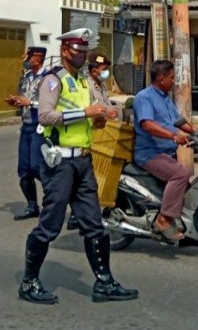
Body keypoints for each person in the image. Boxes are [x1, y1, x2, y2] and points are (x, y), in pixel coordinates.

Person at [19, 28, 137, 305]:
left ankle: (104, 282)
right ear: (64, 51)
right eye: (77, 51)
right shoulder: (53, 80)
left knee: (94, 225)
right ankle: (29, 281)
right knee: (50, 225)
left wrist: (97, 119)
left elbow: (83, 119)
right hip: (60, 163)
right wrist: (85, 113)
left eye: (85, 52)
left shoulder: (82, 82)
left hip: (82, 160)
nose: (82, 56)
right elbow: (45, 116)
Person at [133, 59, 194, 242]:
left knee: (187, 187)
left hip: (166, 154)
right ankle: (164, 219)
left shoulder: (166, 99)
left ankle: (182, 222)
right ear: (161, 78)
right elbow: (147, 124)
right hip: (150, 153)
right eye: (171, 77)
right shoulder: (144, 97)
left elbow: (179, 121)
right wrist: (173, 136)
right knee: (180, 174)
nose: (173, 81)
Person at [7, 47, 48, 221]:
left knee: (36, 166)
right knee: (24, 170)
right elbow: (23, 98)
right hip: (26, 126)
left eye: (29, 58)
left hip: (41, 127)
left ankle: (54, 197)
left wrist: (30, 103)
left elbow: (50, 104)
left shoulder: (48, 79)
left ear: (38, 59)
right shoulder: (26, 76)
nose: (26, 61)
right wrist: (16, 101)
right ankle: (32, 205)